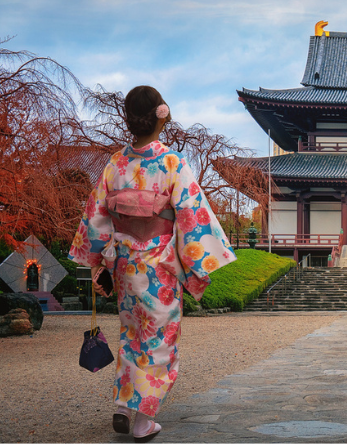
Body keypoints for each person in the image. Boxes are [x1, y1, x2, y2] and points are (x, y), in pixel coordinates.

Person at [70, 85, 236, 443]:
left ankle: (122, 405)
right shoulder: (172, 163)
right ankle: (143, 421)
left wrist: (98, 261)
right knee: (159, 340)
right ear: (162, 116)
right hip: (159, 266)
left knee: (131, 335)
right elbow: (191, 216)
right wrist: (199, 263)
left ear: (129, 119)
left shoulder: (116, 164)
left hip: (125, 264)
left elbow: (96, 218)